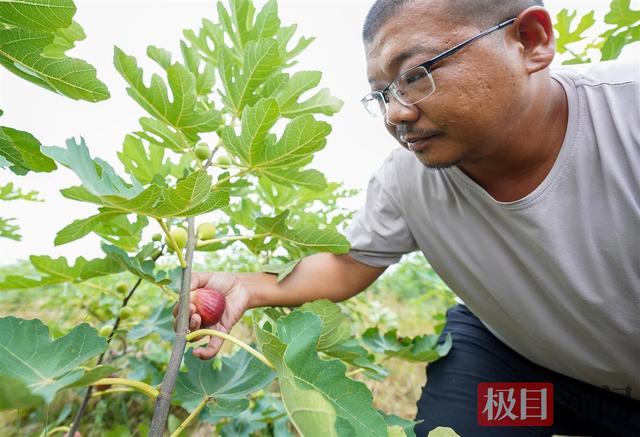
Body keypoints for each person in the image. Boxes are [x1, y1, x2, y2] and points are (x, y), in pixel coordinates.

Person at [178, 0, 640, 435]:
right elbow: (350, 263)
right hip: (532, 383)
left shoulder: (629, 111)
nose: (397, 113)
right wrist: (248, 286)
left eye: (416, 75)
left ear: (530, 40)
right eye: (382, 95)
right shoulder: (406, 178)